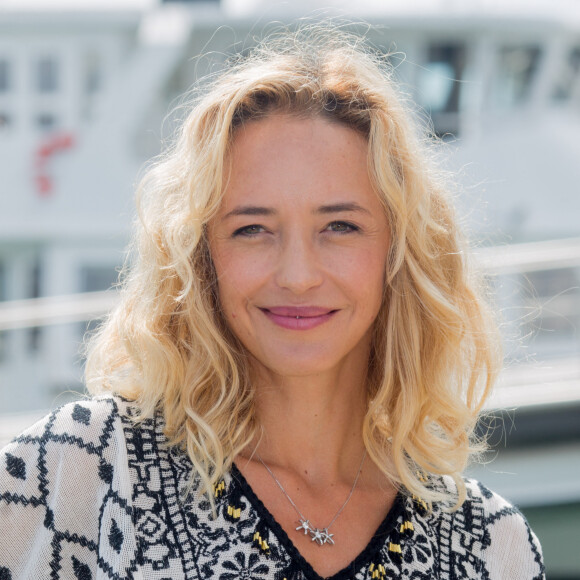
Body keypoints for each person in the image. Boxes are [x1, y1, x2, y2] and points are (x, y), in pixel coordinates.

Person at [0, 26, 545, 579]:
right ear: (201, 256)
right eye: (253, 229)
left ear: (399, 251)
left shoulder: (489, 546)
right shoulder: (78, 471)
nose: (298, 275)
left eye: (339, 226)